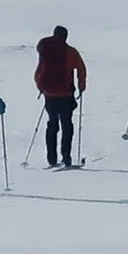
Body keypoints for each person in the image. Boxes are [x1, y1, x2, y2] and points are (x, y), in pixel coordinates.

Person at [35, 25, 88, 168]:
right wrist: (81, 86)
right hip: (66, 94)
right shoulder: (70, 52)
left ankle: (51, 158)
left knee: (52, 124)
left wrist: (42, 89)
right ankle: (66, 155)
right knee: (66, 125)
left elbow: (38, 72)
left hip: (50, 95)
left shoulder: (46, 51)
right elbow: (81, 69)